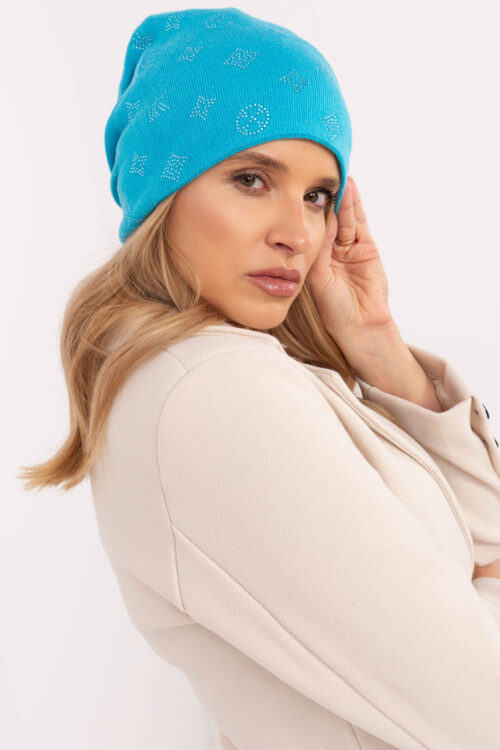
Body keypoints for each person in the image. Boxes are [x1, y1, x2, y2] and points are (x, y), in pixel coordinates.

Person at [18, 8, 500, 749]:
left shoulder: (231, 375)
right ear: (164, 193)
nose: (298, 233)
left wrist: (378, 348)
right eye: (251, 179)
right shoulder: (211, 393)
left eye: (317, 195)